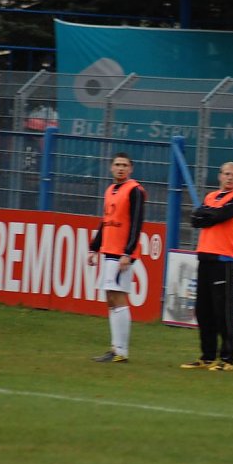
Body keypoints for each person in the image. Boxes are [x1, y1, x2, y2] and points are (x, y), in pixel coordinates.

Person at [181, 162, 233, 372]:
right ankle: (207, 356)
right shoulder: (211, 196)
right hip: (205, 258)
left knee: (224, 311)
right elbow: (196, 220)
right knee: (204, 310)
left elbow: (220, 216)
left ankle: (228, 359)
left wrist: (207, 214)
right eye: (226, 174)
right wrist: (207, 214)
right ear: (219, 176)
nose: (229, 177)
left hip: (224, 260)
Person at [87, 152, 146, 363]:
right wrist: (94, 248)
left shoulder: (135, 191)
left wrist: (128, 252)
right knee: (110, 298)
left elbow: (137, 223)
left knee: (118, 297)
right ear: (111, 168)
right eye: (117, 164)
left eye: (124, 165)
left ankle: (122, 351)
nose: (120, 168)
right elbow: (106, 221)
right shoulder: (110, 190)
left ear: (131, 169)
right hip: (109, 250)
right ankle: (115, 347)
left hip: (122, 253)